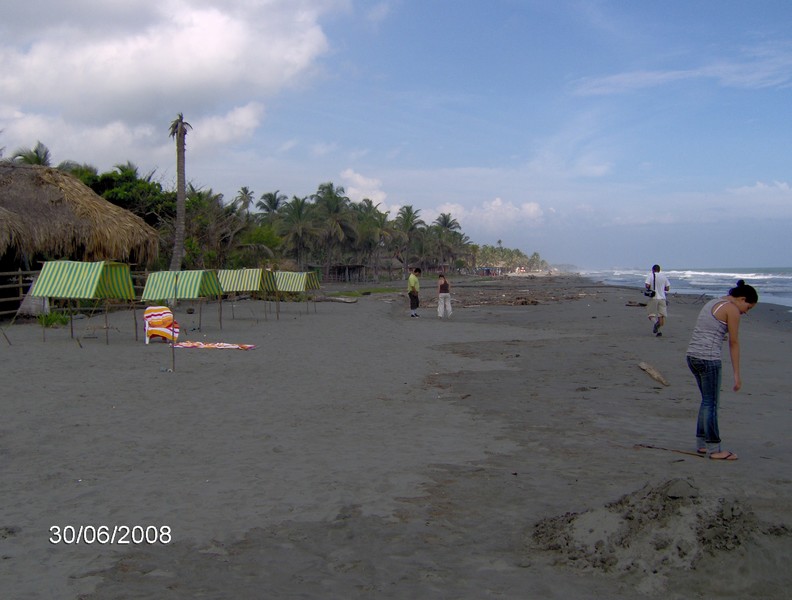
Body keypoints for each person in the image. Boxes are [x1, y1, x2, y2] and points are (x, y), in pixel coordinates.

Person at [686, 280, 758, 461]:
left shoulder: (713, 302)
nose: (745, 312)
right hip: (708, 359)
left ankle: (702, 444)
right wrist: (737, 375)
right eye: (748, 308)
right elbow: (734, 343)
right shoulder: (732, 309)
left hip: (692, 357)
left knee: (706, 401)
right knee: (711, 403)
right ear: (742, 299)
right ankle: (714, 448)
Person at [645, 264, 671, 336]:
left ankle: (656, 324)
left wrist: (650, 287)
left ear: (653, 270)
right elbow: (667, 288)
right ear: (659, 270)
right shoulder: (664, 276)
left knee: (651, 314)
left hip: (654, 298)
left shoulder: (650, 275)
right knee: (661, 316)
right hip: (662, 298)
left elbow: (647, 285)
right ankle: (659, 331)